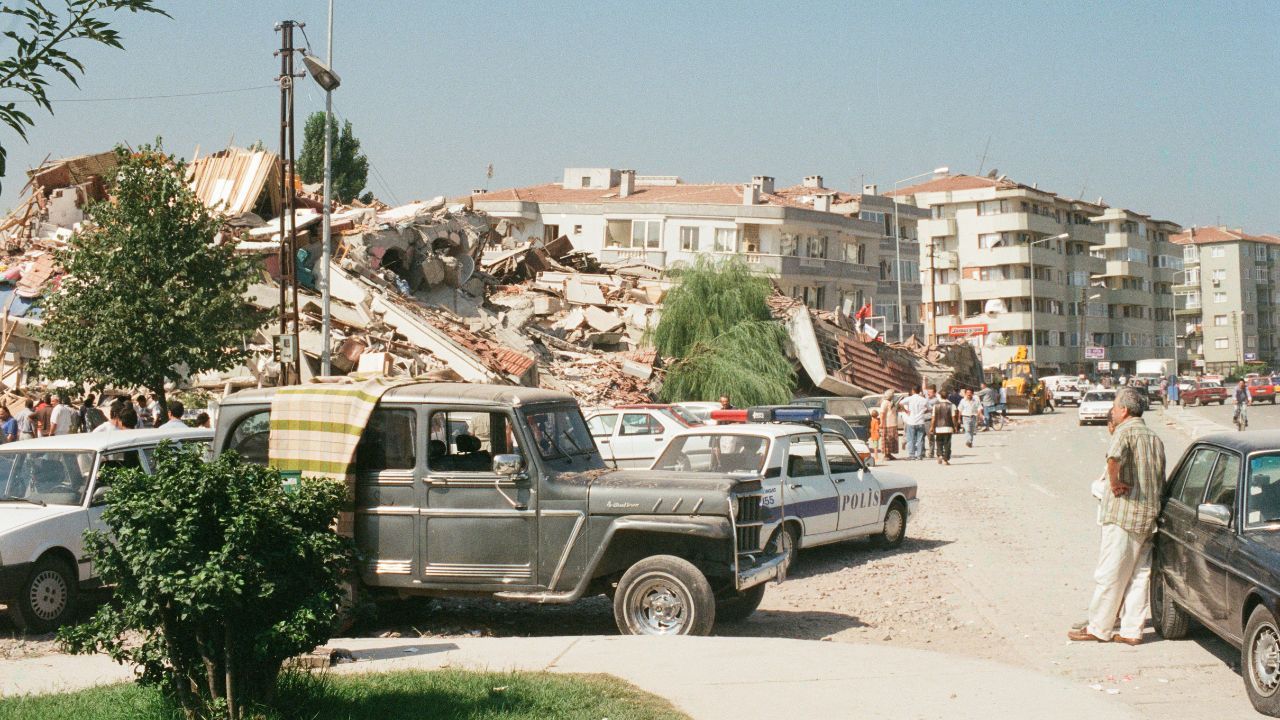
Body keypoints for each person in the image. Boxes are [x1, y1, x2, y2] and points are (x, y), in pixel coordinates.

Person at [1068, 386, 1166, 646]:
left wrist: (1115, 483)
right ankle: (1132, 631)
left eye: (1114, 407)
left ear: (1123, 410)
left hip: (1124, 514)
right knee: (1139, 576)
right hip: (1149, 517)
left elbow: (1113, 459)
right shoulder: (1154, 437)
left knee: (1110, 573)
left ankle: (1099, 627)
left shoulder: (1125, 431)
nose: (1112, 411)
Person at [898, 387, 931, 461]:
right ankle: (919, 455)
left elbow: (900, 403)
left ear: (913, 391)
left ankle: (912, 455)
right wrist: (923, 411)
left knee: (911, 439)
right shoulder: (923, 400)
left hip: (911, 421)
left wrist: (906, 411)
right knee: (920, 439)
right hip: (920, 421)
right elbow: (930, 408)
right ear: (919, 391)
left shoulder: (910, 398)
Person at [929, 390, 958, 465]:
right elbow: (953, 417)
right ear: (948, 396)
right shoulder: (951, 405)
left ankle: (940, 455)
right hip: (948, 427)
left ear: (940, 396)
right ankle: (945, 459)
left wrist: (932, 427)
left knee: (939, 442)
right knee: (947, 443)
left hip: (938, 427)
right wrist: (955, 426)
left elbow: (933, 418)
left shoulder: (936, 405)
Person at [878, 393, 899, 461]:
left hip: (892, 424)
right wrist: (881, 423)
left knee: (892, 440)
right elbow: (882, 413)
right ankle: (886, 455)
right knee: (887, 439)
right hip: (887, 424)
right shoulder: (884, 403)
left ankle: (889, 454)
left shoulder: (891, 402)